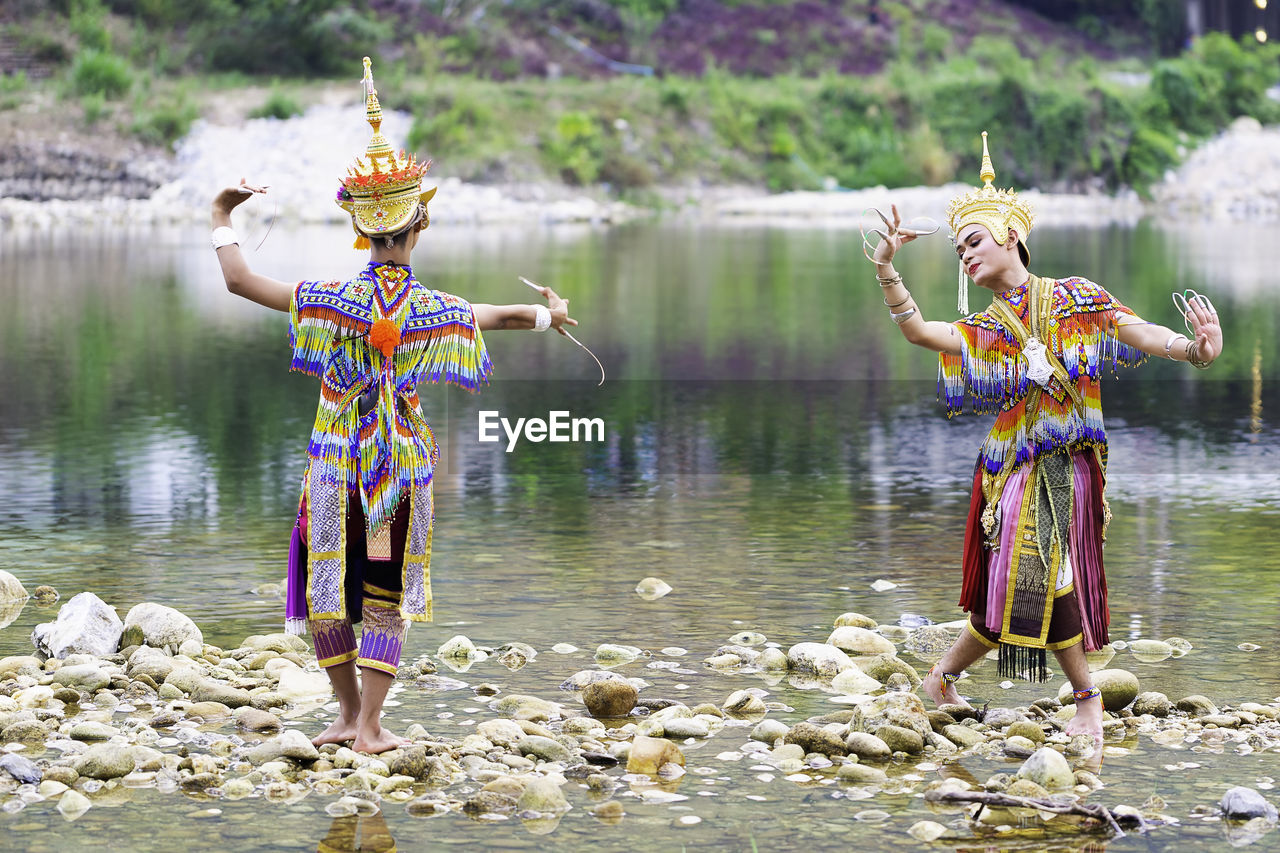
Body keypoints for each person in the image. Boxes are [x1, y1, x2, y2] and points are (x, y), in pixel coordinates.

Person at [210, 58, 577, 754]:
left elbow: (236, 280)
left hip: (332, 472)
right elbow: (494, 315)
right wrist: (550, 314)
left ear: (363, 234)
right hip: (396, 476)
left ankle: (346, 717)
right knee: (383, 591)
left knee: (327, 588)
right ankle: (372, 726)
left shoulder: (325, 300)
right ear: (418, 228)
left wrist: (222, 213)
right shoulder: (435, 310)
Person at [869, 132, 1223, 742]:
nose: (966, 256)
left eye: (973, 241)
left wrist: (1193, 350)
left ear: (1012, 236)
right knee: (1026, 576)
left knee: (1031, 579)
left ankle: (942, 679)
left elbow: (1137, 332)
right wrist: (886, 271)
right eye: (958, 251)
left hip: (1076, 467)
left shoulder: (1076, 298)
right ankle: (1085, 698)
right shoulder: (987, 328)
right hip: (1013, 467)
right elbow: (922, 333)